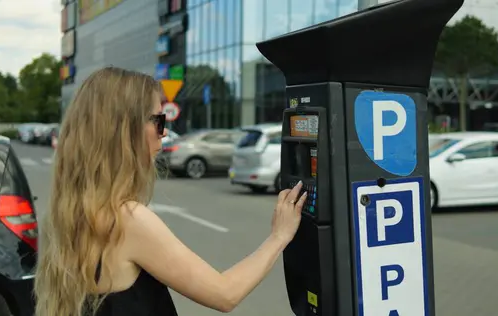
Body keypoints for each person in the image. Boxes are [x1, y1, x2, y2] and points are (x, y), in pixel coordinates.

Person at [33, 67, 307, 316]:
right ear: (124, 129)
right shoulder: (127, 220)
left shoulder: (71, 212)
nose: (164, 133)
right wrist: (278, 237)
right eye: (159, 121)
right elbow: (226, 294)